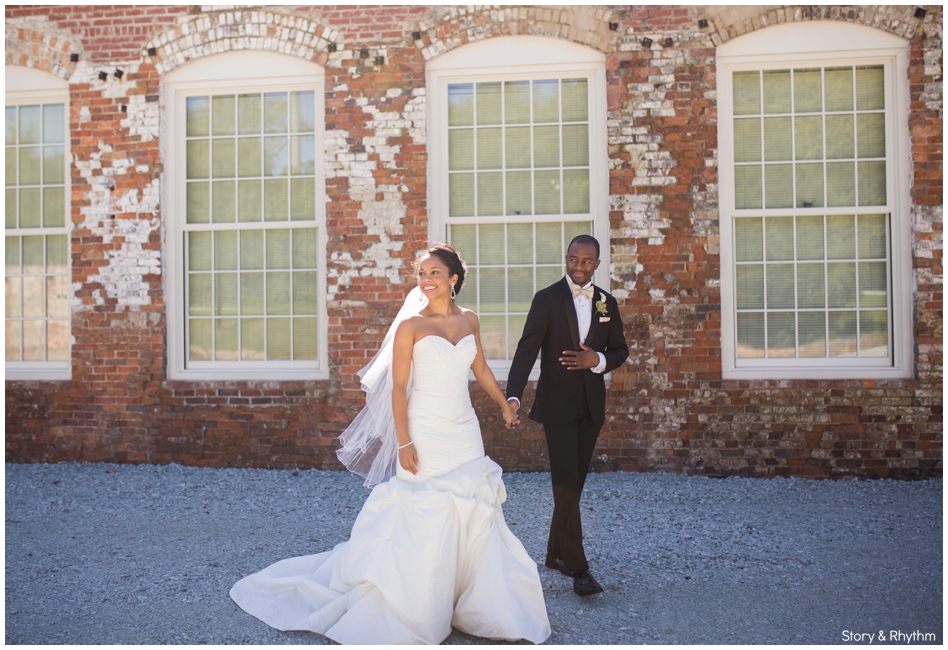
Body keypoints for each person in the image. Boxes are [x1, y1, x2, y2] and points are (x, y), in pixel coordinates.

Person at [230, 243, 551, 645]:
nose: (426, 280)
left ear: (453, 279)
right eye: (422, 273)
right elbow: (398, 387)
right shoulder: (411, 326)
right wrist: (404, 442)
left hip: (464, 429)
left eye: (434, 273)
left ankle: (471, 603)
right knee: (425, 509)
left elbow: (481, 368)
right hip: (424, 428)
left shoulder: (470, 319)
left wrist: (504, 405)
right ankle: (420, 606)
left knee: (475, 506)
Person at [506, 235, 629, 597]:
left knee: (573, 485)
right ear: (566, 258)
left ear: (597, 264)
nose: (578, 266)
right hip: (557, 406)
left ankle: (555, 553)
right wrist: (513, 396)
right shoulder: (546, 299)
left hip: (591, 407)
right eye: (573, 259)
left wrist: (597, 360)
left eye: (586, 261)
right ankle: (579, 568)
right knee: (565, 482)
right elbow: (527, 350)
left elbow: (620, 350)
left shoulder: (607, 303)